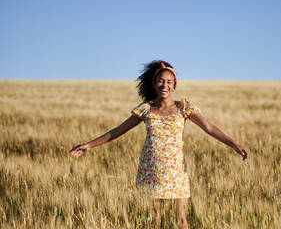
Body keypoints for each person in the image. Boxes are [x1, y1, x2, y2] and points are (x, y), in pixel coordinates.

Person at [70, 60, 248, 229]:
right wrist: (89, 145)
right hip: (151, 170)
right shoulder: (146, 108)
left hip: (176, 171)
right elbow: (118, 130)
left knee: (182, 222)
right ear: (154, 84)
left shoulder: (183, 107)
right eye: (161, 81)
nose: (165, 85)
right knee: (154, 222)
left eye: (169, 82)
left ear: (175, 85)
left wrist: (233, 144)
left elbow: (209, 127)